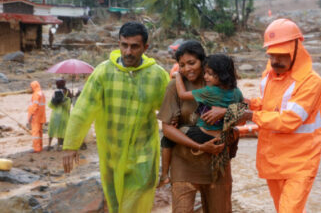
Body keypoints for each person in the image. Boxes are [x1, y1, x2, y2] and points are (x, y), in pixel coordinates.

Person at [62, 21, 170, 212]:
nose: (128, 52)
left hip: (143, 153)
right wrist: (71, 144)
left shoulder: (157, 76)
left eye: (134, 46)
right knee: (114, 204)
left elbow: (171, 112)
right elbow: (83, 109)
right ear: (118, 44)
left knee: (135, 202)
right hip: (111, 153)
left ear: (146, 47)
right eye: (124, 45)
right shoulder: (103, 72)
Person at [239, 18, 321, 212]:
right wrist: (248, 102)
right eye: (271, 55)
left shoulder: (312, 82)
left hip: (300, 163)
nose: (275, 61)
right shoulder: (269, 74)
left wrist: (249, 115)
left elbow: (289, 120)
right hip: (273, 159)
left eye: (281, 55)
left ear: (296, 50)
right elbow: (269, 105)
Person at [157, 40, 233, 213]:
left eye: (192, 63)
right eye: (182, 65)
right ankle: (164, 177)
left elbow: (243, 113)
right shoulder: (175, 87)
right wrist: (199, 146)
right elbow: (167, 129)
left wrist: (223, 111)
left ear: (203, 61)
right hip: (184, 163)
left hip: (217, 165)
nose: (187, 69)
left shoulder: (220, 83)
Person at [27, 81, 46, 153]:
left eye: (31, 87)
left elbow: (34, 107)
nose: (30, 88)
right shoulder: (41, 93)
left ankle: (37, 148)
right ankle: (40, 147)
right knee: (40, 132)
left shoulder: (35, 94)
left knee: (35, 133)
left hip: (36, 117)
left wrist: (30, 116)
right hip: (41, 116)